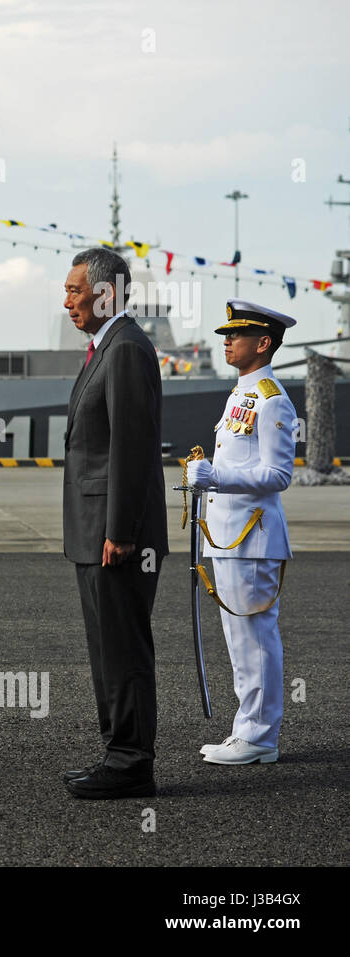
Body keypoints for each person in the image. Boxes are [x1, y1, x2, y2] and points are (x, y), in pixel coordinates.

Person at [60, 247, 168, 799]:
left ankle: (130, 764)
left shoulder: (125, 349)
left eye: (75, 291)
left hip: (116, 536)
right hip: (95, 531)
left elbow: (130, 447)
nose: (67, 301)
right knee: (107, 650)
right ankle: (116, 755)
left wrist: (120, 531)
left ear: (106, 293)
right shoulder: (106, 348)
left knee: (123, 650)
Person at [188, 300, 297, 765]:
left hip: (252, 537)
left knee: (253, 637)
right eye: (226, 334)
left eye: (236, 334)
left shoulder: (271, 399)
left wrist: (216, 477)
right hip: (230, 536)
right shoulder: (240, 396)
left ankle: (258, 735)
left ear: (264, 343)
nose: (227, 341)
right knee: (239, 638)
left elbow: (278, 474)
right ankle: (248, 729)